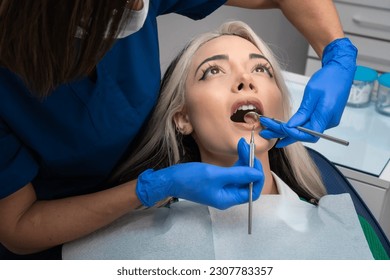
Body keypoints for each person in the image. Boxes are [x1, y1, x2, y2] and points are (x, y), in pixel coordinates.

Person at [0, 1, 357, 258]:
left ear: (283, 102)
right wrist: (156, 186)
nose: (245, 81)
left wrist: (337, 50)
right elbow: (17, 227)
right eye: (213, 71)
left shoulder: (343, 240)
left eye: (261, 69)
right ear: (181, 117)